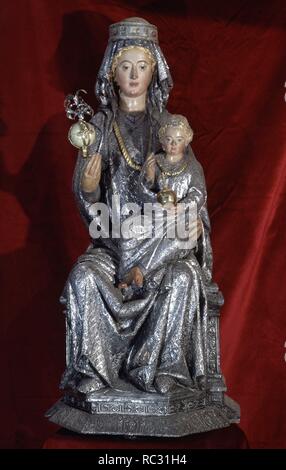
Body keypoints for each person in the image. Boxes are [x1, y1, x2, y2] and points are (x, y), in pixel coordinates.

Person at [59, 17, 212, 399]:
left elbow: (192, 190)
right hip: (113, 242)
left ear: (154, 71)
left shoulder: (169, 127)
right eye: (125, 66)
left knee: (183, 278)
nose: (133, 75)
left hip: (159, 244)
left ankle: (164, 370)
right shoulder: (98, 126)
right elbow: (88, 203)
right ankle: (95, 371)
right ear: (112, 71)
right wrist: (90, 187)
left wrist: (194, 224)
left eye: (142, 66)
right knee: (82, 279)